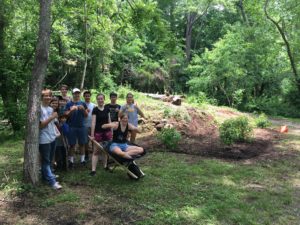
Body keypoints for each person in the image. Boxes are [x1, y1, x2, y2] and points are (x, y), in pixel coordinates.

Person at [39, 89, 62, 190]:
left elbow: (53, 124)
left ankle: (45, 177)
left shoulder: (50, 108)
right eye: (45, 96)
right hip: (43, 139)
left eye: (49, 96)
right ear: (41, 97)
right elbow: (41, 125)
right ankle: (52, 182)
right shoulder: (39, 109)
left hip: (52, 137)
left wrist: (56, 132)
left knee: (49, 160)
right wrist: (52, 117)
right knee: (46, 160)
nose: (48, 97)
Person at [64, 88, 88, 168]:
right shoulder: (68, 104)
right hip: (72, 126)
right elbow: (66, 115)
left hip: (81, 126)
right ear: (72, 94)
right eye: (75, 93)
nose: (77, 95)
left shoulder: (83, 103)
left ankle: (82, 160)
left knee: (82, 144)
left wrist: (83, 110)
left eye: (78, 93)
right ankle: (71, 161)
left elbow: (86, 115)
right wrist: (71, 110)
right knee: (72, 144)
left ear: (79, 94)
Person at [89, 94, 112, 176]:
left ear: (104, 99)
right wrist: (92, 135)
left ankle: (105, 166)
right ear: (97, 100)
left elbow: (109, 121)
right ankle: (93, 170)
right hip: (98, 133)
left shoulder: (107, 108)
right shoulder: (95, 110)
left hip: (107, 132)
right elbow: (93, 122)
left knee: (105, 150)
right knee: (96, 151)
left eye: (101, 99)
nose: (100, 100)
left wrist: (111, 131)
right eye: (98, 99)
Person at [83, 90, 95, 161]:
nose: (87, 97)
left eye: (88, 96)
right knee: (86, 141)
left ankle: (94, 154)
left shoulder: (93, 105)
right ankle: (86, 154)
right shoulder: (82, 104)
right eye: (86, 96)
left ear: (90, 96)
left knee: (94, 141)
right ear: (84, 96)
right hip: (85, 125)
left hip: (93, 125)